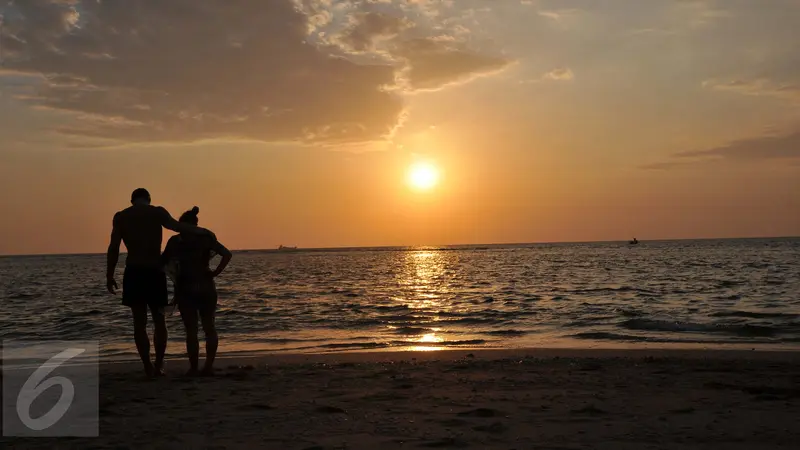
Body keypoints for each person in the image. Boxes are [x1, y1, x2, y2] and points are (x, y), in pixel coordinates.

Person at [106, 188, 214, 378]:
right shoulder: (157, 212)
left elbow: (114, 247)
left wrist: (109, 274)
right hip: (154, 271)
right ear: (148, 199)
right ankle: (159, 365)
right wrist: (201, 231)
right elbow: (177, 226)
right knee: (159, 320)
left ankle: (147, 366)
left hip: (134, 271)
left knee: (139, 322)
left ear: (132, 201)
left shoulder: (121, 216)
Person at [161, 206, 232, 376]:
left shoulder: (175, 241)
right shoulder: (205, 238)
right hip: (206, 285)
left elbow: (163, 262)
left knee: (191, 330)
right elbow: (226, 254)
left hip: (186, 286)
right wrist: (215, 273)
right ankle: (208, 366)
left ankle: (193, 368)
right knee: (209, 327)